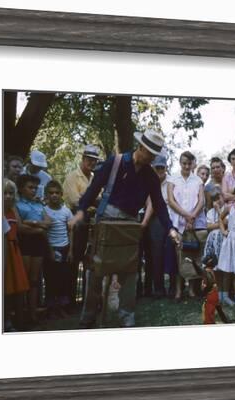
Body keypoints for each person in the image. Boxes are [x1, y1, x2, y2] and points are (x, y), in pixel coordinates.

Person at [70, 129, 180, 328]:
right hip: (106, 219)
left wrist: (170, 228)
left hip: (130, 225)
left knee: (130, 272)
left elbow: (160, 205)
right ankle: (88, 316)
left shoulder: (151, 177)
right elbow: (94, 187)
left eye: (156, 155)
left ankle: (127, 317)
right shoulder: (116, 162)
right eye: (150, 153)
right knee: (95, 271)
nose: (152, 158)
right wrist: (80, 211)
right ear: (141, 147)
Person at [62, 145, 101, 307]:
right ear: (83, 159)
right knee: (74, 260)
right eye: (89, 160)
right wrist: (91, 202)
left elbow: (99, 198)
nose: (91, 163)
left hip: (92, 221)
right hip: (77, 221)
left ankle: (86, 300)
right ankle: (70, 301)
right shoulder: (72, 177)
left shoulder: (94, 178)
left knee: (90, 262)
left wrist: (90, 201)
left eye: (94, 161)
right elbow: (75, 201)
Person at [167, 151, 207, 300]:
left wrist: (192, 217)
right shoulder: (172, 179)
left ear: (193, 164)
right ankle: (178, 290)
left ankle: (191, 290)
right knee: (178, 256)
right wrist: (185, 215)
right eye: (184, 163)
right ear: (180, 162)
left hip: (193, 224)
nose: (186, 166)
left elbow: (201, 201)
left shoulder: (197, 181)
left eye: (189, 163)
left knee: (191, 255)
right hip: (177, 223)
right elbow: (171, 201)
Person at [15, 174, 52, 322]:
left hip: (38, 244)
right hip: (25, 243)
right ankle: (20, 313)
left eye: (35, 188)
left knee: (34, 280)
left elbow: (48, 222)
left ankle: (33, 312)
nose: (34, 190)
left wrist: (32, 222)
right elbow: (20, 227)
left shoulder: (39, 205)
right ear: (21, 188)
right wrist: (39, 228)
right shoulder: (17, 204)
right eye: (30, 187)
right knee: (23, 280)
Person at [43, 181, 74, 318]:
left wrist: (71, 251)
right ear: (46, 195)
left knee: (63, 279)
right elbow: (44, 232)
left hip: (64, 248)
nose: (54, 195)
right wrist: (49, 250)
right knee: (50, 279)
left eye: (57, 193)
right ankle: (51, 307)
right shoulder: (44, 210)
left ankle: (62, 306)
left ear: (61, 194)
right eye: (51, 193)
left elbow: (71, 231)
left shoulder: (66, 211)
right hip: (50, 248)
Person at [141, 153, 170, 298]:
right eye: (156, 168)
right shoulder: (146, 180)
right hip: (144, 217)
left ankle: (158, 288)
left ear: (166, 168)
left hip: (159, 220)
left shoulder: (169, 184)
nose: (159, 171)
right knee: (146, 254)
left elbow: (154, 204)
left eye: (161, 168)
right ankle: (145, 289)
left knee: (157, 254)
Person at [3, 178, 30, 331]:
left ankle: (15, 320)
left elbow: (18, 228)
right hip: (4, 251)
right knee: (5, 289)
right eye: (4, 193)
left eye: (11, 193)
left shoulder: (13, 211)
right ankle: (5, 320)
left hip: (14, 251)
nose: (8, 196)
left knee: (16, 289)